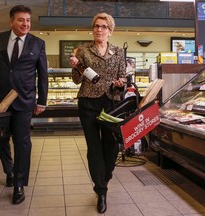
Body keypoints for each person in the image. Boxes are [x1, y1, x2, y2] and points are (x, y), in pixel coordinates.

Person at [0, 5, 48, 205]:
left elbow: (42, 75)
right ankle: (8, 170)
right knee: (0, 140)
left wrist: (42, 101)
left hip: (24, 100)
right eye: (21, 20)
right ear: (11, 21)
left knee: (22, 141)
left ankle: (19, 184)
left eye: (28, 20)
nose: (25, 24)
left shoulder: (38, 43)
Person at [68, 13, 126, 213]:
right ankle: (101, 190)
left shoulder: (118, 52)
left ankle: (106, 175)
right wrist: (75, 66)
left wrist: (120, 84)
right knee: (94, 147)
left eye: (103, 26)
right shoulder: (83, 50)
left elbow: (122, 78)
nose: (98, 30)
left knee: (111, 146)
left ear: (110, 31)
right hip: (88, 103)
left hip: (111, 103)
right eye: (96, 26)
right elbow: (76, 80)